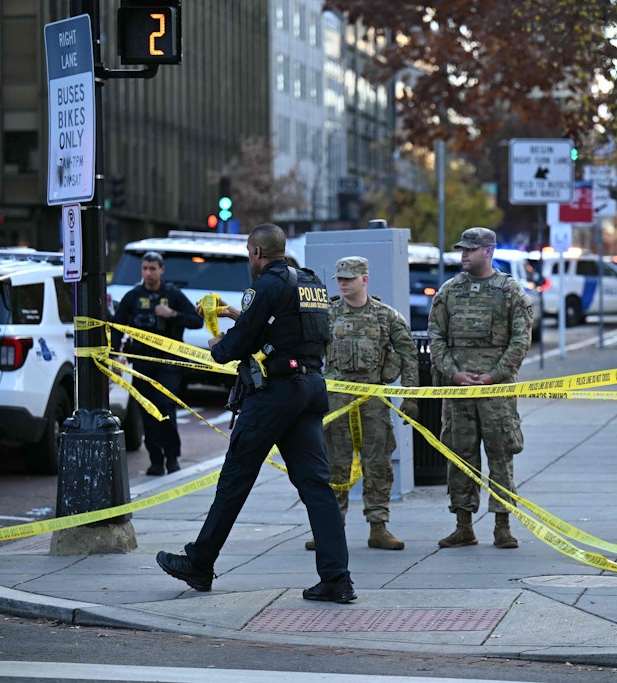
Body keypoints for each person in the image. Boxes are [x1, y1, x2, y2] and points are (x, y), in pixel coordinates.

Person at [156, 224, 355, 603]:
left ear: (258, 253)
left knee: (235, 479)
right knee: (316, 486)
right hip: (310, 388)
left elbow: (235, 346)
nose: (251, 259)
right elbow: (287, 326)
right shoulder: (310, 282)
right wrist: (237, 313)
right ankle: (337, 578)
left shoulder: (265, 284)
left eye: (250, 253)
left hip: (274, 394)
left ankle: (199, 563)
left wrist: (217, 342)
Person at [429, 227, 533, 549]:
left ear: (488, 252)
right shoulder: (448, 292)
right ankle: (463, 524)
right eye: (462, 250)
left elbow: (520, 340)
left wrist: (494, 375)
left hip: (496, 392)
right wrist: (453, 373)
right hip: (458, 391)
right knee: (460, 455)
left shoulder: (511, 291)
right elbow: (436, 338)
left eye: (470, 250)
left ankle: (502, 525)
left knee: (500, 455)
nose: (464, 255)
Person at [310, 256, 420, 551]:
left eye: (349, 278)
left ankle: (378, 527)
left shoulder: (387, 316)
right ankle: (331, 529)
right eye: (340, 279)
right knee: (334, 467)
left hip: (373, 401)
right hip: (336, 403)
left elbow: (409, 354)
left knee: (378, 465)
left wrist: (410, 397)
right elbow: (309, 353)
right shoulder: (328, 315)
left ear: (365, 279)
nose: (344, 283)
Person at [111, 251, 203, 475]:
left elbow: (196, 320)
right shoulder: (133, 296)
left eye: (153, 269)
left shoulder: (172, 294)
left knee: (164, 405)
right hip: (142, 363)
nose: (148, 273)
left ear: (162, 270)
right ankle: (156, 460)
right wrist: (114, 356)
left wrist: (172, 314)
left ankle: (172, 457)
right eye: (145, 269)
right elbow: (116, 326)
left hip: (168, 362)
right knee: (147, 410)